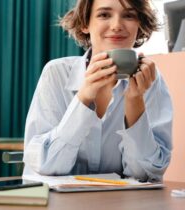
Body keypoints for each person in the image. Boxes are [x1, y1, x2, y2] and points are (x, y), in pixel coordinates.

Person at [23, 0, 172, 182]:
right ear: (85, 23)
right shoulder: (56, 73)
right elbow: (45, 165)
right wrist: (84, 98)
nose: (117, 25)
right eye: (104, 15)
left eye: (129, 15)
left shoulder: (151, 81)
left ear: (139, 24)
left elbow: (146, 175)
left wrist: (135, 100)